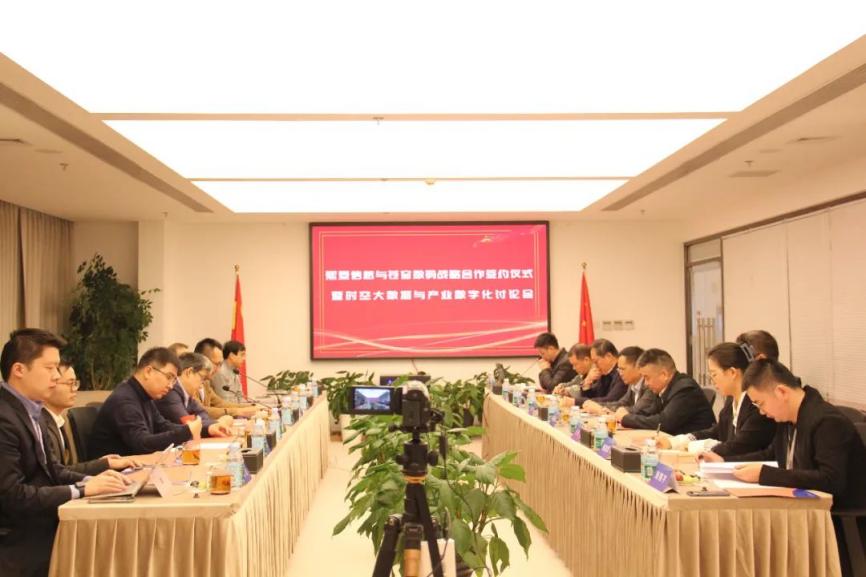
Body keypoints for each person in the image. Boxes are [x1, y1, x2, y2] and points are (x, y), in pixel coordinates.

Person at [0, 329, 130, 577]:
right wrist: (80, 490)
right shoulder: (4, 417)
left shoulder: (32, 409)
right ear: (19, 370)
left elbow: (54, 469)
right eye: (50, 368)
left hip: (39, 523)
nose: (57, 376)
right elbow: (12, 496)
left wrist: (93, 481)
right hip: (17, 539)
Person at [711, 359, 866, 508]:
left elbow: (830, 480)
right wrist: (724, 461)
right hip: (800, 505)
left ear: (781, 392)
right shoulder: (786, 417)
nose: (761, 412)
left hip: (834, 514)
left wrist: (765, 475)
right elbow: (771, 455)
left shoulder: (827, 422)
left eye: (761, 403)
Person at [88, 347, 225, 457]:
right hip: (113, 475)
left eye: (174, 380)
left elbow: (163, 425)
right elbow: (142, 444)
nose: (171, 386)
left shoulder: (144, 395)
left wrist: (207, 429)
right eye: (169, 377)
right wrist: (186, 432)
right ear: (148, 371)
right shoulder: (124, 400)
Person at [657, 342, 776, 458]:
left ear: (732, 372)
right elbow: (717, 431)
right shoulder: (731, 401)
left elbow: (739, 446)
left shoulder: (755, 404)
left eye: (714, 374)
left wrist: (694, 446)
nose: (712, 381)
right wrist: (678, 441)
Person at [42, 361, 144, 474]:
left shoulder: (57, 420)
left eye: (75, 383)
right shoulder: (41, 425)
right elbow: (56, 474)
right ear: (50, 384)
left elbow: (64, 469)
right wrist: (104, 465)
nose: (74, 389)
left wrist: (101, 463)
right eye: (69, 383)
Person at [619, 348, 716, 435]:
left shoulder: (685, 389)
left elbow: (664, 423)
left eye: (647, 378)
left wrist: (626, 418)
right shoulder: (661, 389)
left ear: (664, 375)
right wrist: (627, 414)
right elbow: (649, 413)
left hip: (696, 445)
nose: (645, 384)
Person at [155, 353, 231, 436]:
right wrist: (217, 423)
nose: (201, 385)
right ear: (189, 372)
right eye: (202, 378)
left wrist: (213, 424)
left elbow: (202, 414)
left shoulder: (186, 393)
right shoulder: (171, 392)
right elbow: (187, 423)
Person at [584, 346, 659, 417]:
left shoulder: (650, 385)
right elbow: (621, 403)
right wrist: (595, 404)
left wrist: (601, 409)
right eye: (618, 369)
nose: (620, 373)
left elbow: (636, 410)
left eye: (622, 369)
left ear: (638, 367)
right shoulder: (632, 384)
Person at [194, 338, 256, 418]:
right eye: (216, 364)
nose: (218, 369)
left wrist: (252, 407)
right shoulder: (191, 383)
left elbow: (220, 403)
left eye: (220, 364)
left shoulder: (205, 382)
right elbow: (201, 411)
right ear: (203, 360)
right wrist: (238, 411)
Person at [569, 339, 627, 407]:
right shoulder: (604, 372)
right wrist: (587, 383)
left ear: (608, 356)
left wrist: (577, 402)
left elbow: (610, 400)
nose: (594, 366)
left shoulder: (622, 373)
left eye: (596, 361)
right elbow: (595, 397)